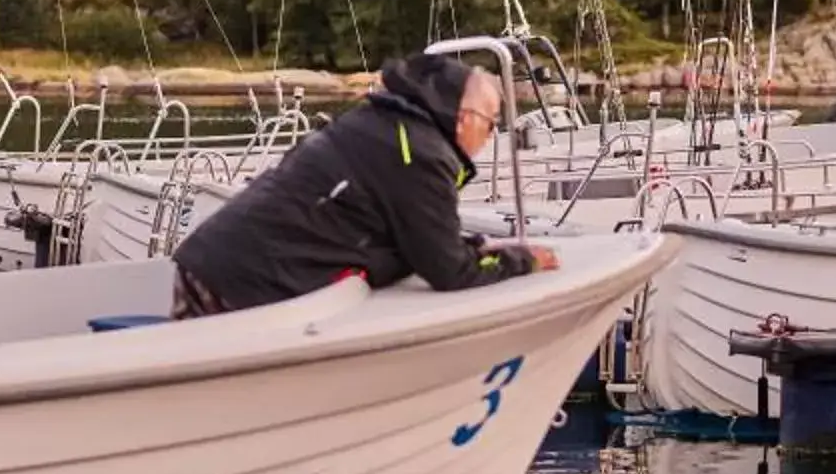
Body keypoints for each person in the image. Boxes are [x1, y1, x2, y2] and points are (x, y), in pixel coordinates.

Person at [169, 50, 558, 317]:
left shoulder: (385, 125)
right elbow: (449, 270)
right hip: (237, 285)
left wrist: (472, 248)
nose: (491, 135)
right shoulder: (419, 155)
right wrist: (523, 259)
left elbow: (413, 236)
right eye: (491, 122)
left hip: (217, 267)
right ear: (463, 117)